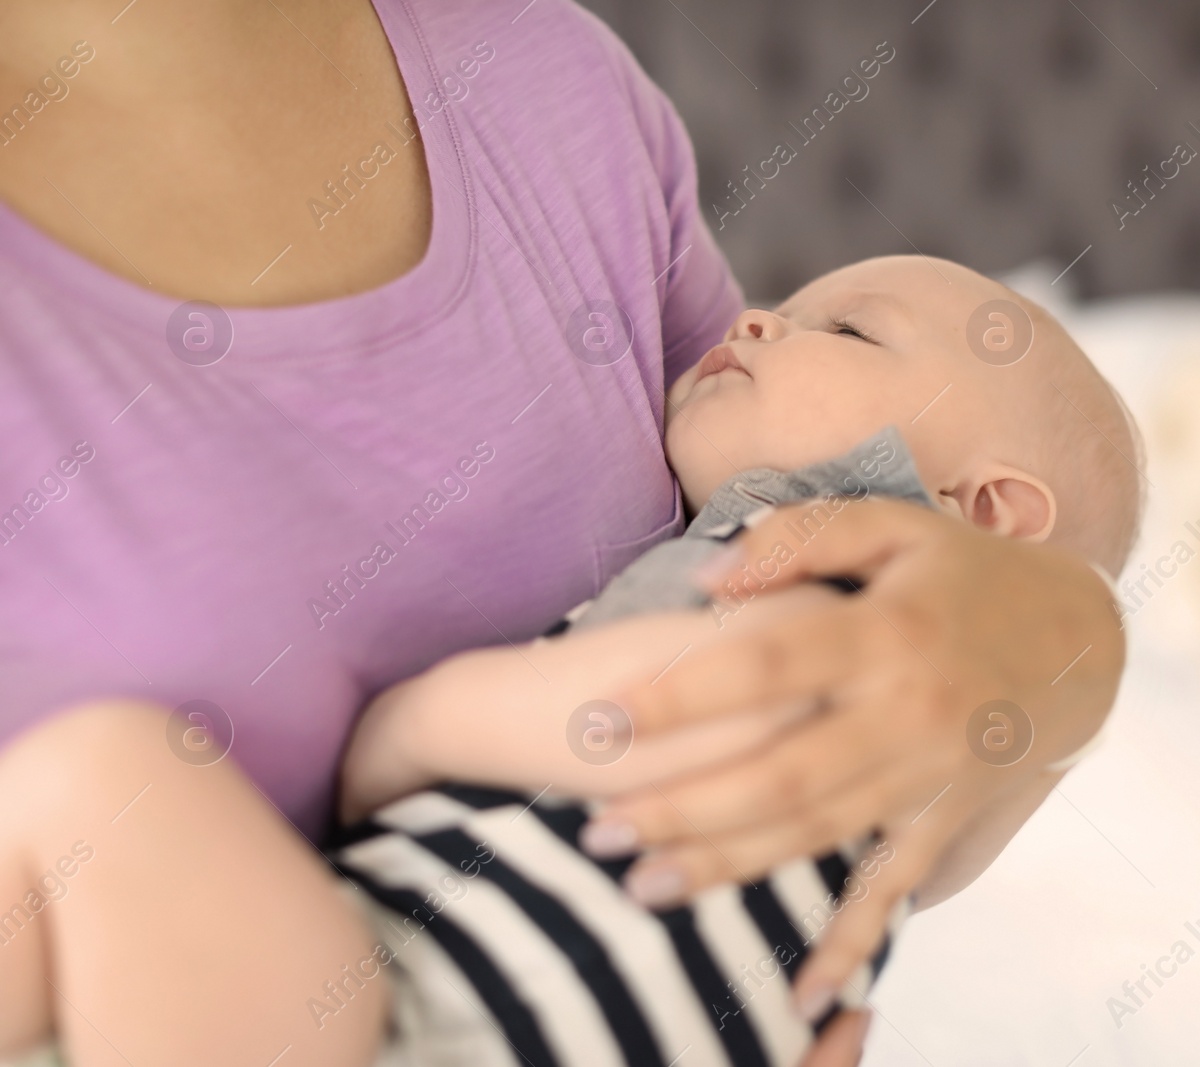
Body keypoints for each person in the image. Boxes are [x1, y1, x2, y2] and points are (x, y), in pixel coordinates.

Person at [0, 2, 1130, 1065]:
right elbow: (655, 709)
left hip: (426, 1012)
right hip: (396, 1004)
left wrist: (1064, 641)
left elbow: (817, 774)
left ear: (988, 505)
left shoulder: (542, 84)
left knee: (99, 783)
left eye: (840, 328)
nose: (751, 318)